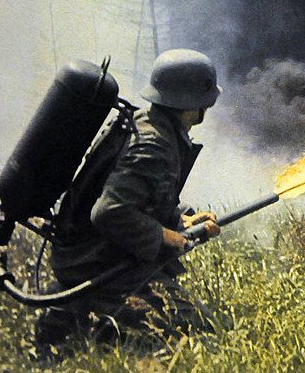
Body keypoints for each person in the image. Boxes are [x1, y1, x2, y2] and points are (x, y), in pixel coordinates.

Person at [34, 49, 223, 352]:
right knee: (205, 330)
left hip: (86, 251)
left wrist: (181, 219)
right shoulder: (154, 144)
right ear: (190, 103)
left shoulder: (147, 121)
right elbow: (110, 211)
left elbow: (144, 198)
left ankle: (69, 318)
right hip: (96, 261)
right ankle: (85, 312)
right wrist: (165, 235)